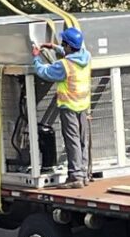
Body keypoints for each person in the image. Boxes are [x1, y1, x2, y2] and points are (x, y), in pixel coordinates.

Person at [32, 28, 92, 188]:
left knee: (72, 141)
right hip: (83, 106)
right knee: (82, 141)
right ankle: (84, 174)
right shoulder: (86, 56)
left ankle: (75, 177)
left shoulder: (64, 65)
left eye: (63, 43)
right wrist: (53, 47)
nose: (62, 46)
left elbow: (43, 72)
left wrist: (36, 57)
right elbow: (72, 53)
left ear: (68, 45)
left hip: (69, 107)